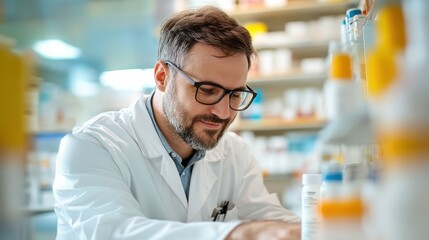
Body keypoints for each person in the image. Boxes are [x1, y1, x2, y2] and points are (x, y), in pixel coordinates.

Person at [53, 6, 301, 240]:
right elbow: (116, 232)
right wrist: (236, 233)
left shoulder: (234, 152)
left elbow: (273, 221)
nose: (223, 112)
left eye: (235, 95)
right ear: (162, 77)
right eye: (207, 90)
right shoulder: (91, 147)